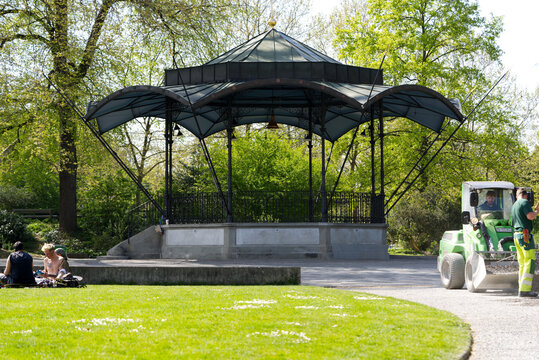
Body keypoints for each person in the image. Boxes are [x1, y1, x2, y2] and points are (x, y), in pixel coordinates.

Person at [511, 188, 539, 297]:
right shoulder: (524, 202)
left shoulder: (514, 205)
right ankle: (525, 290)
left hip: (517, 236)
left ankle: (521, 288)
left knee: (522, 263)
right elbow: (530, 216)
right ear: (525, 195)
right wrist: (536, 212)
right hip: (525, 236)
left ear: (517, 195)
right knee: (530, 261)